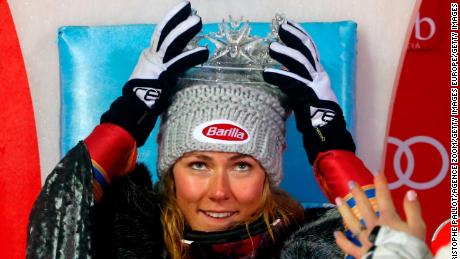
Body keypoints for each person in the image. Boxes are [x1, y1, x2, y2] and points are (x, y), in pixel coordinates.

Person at [26, 1, 431, 258]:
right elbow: (58, 226)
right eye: (199, 164)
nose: (219, 192)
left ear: (269, 174)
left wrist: (331, 145)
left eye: (242, 166)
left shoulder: (315, 251)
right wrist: (126, 118)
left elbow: (378, 236)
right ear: (171, 170)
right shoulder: (119, 243)